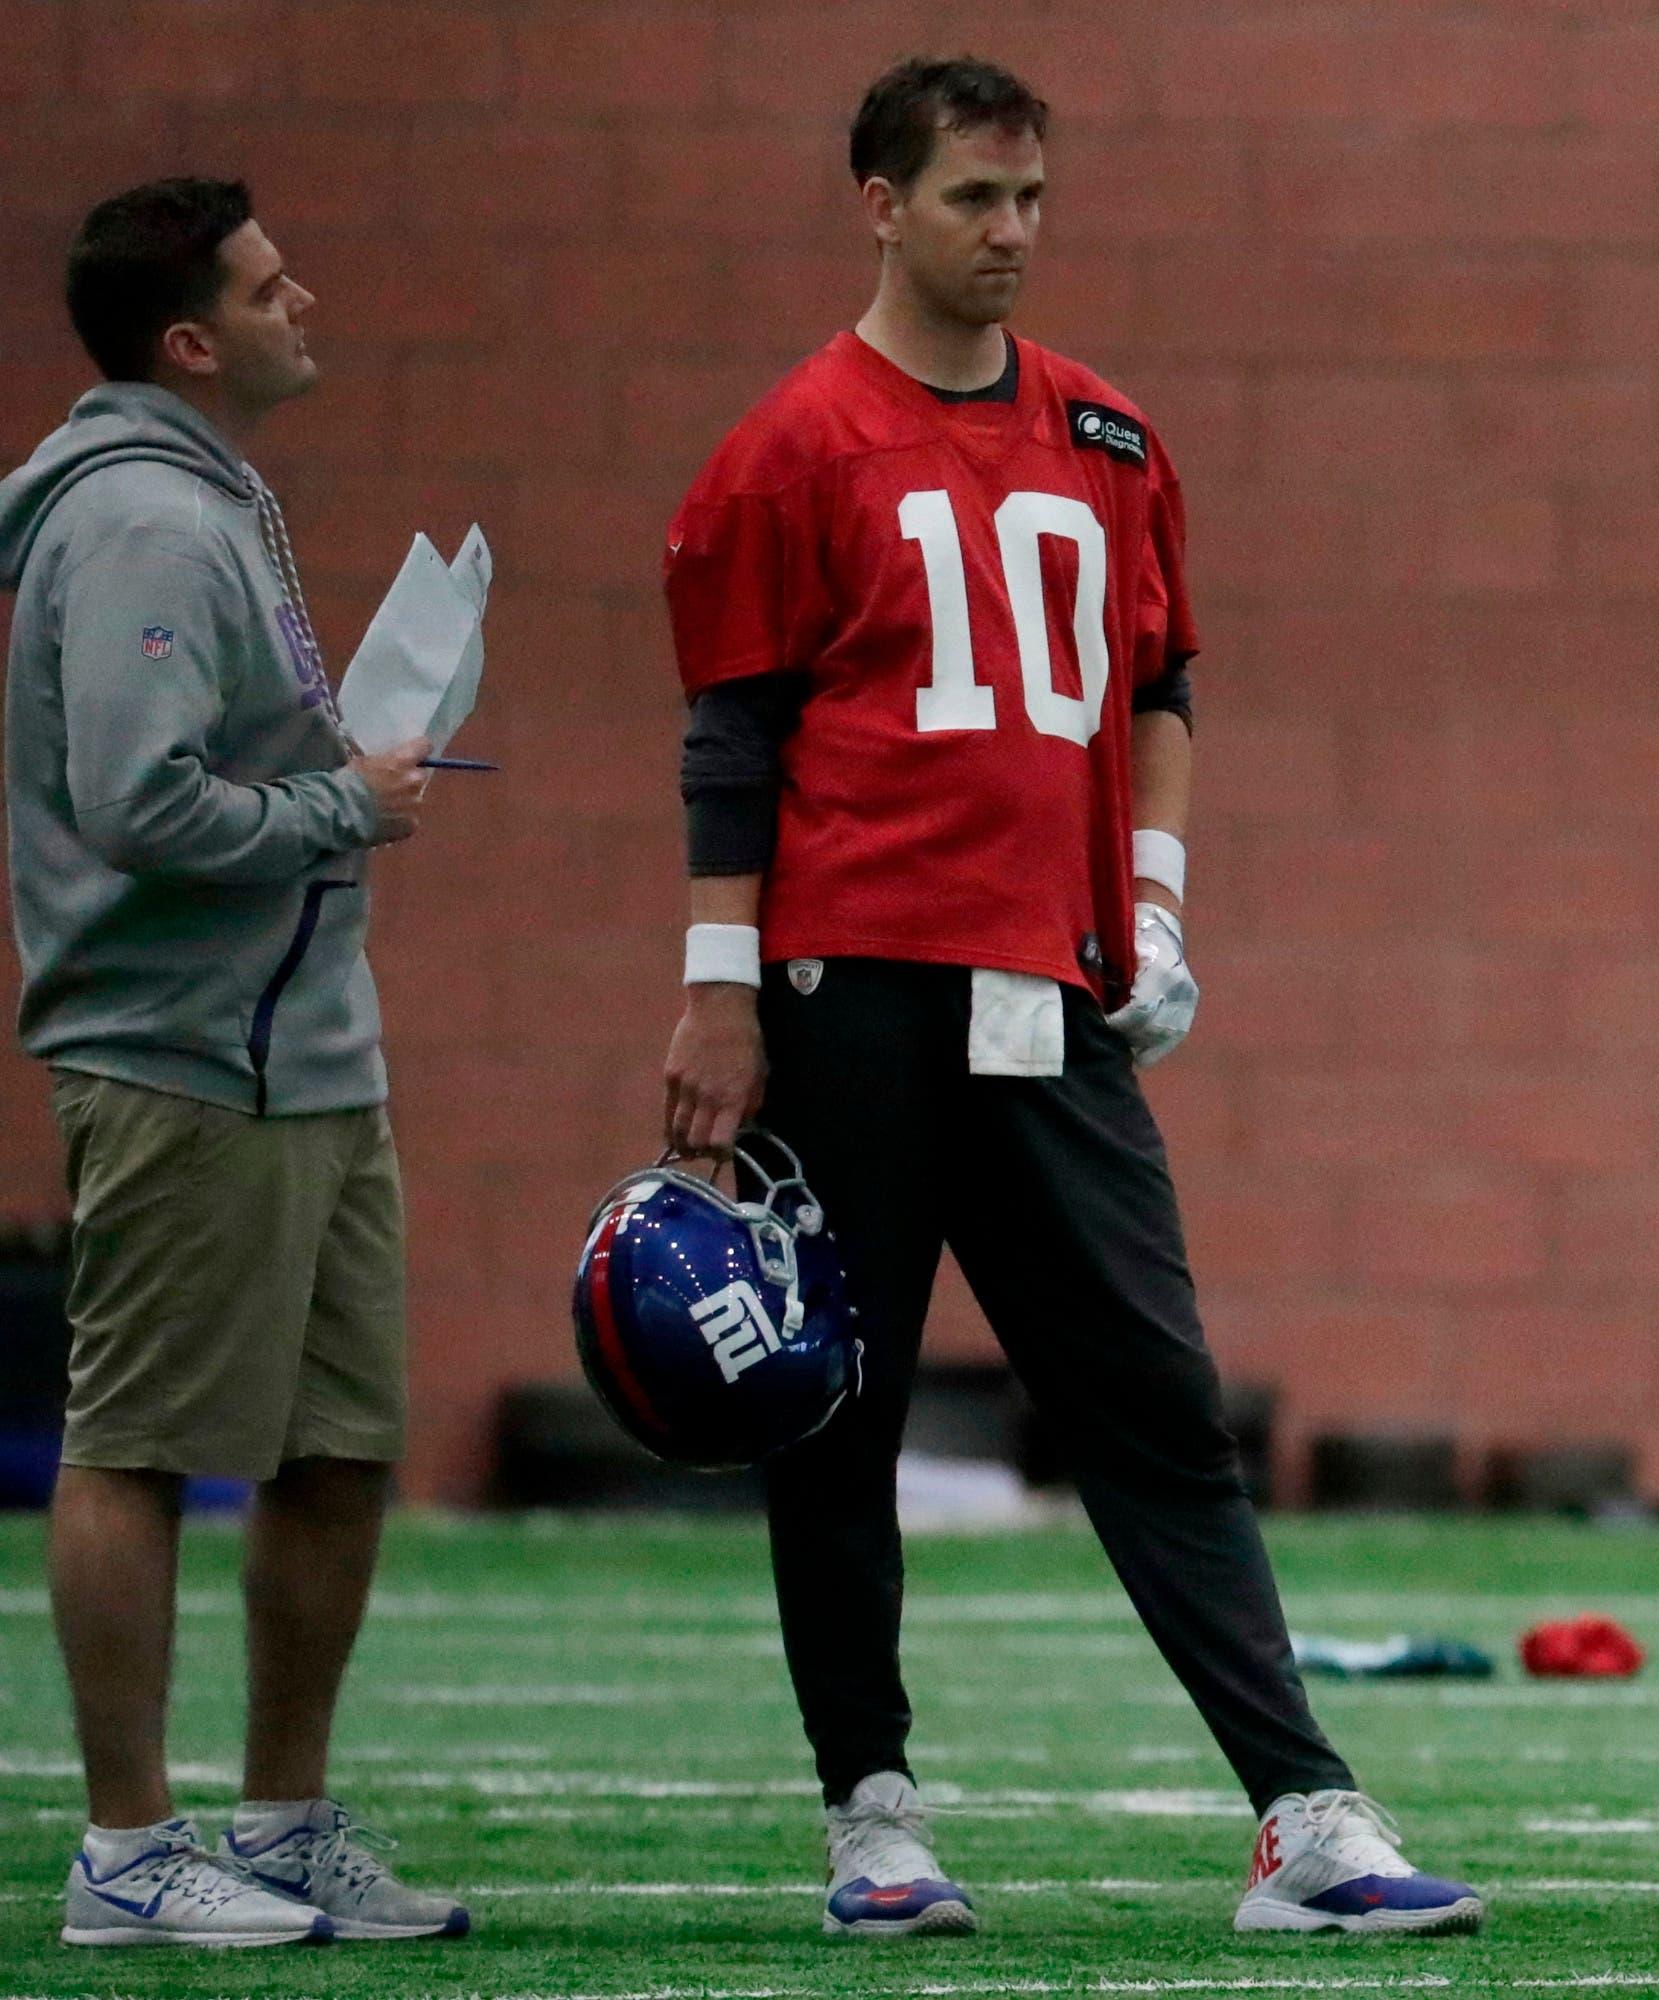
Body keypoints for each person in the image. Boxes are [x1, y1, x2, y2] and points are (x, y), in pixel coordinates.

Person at [655, 57, 1482, 1941]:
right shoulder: (789, 446)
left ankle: (1306, 1815)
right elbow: (733, 743)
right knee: (833, 1410)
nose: (1011, 234)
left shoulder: (1107, 434)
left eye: (1031, 200)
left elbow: (1161, 689)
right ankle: (871, 1813)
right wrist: (718, 990)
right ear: (878, 202)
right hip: (846, 980)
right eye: (971, 200)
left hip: (1050, 987)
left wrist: (1159, 906)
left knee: (1158, 1402)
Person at [0, 177, 464, 1949]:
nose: (307, 300)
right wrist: (349, 801)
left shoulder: (213, 500)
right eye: (273, 287)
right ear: (190, 341)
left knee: (337, 1446)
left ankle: (280, 1821)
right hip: (184, 1057)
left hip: (310, 1055)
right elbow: (134, 800)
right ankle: (127, 1853)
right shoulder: (139, 523)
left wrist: (336, 771)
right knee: (135, 1445)